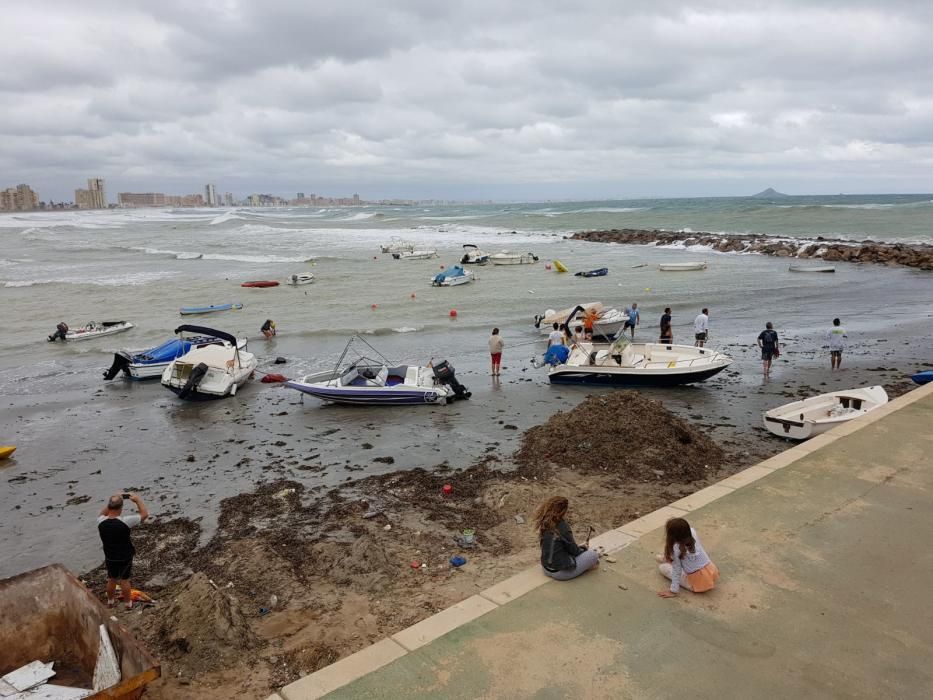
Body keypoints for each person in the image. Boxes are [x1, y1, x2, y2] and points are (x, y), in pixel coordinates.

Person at [98, 493, 149, 609]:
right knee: (125, 580)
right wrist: (137, 500)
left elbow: (102, 513)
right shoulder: (126, 521)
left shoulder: (101, 521)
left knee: (111, 579)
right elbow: (145, 514)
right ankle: (128, 604)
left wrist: (114, 498)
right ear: (121, 509)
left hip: (110, 556)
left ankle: (110, 602)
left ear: (109, 507)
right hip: (125, 556)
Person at [534, 496, 599, 581]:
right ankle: (583, 569)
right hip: (560, 573)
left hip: (546, 568)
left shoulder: (545, 523)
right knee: (593, 555)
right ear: (563, 511)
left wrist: (579, 547)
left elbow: (557, 546)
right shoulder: (563, 526)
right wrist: (584, 549)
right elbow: (574, 551)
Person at [657, 517, 719, 598]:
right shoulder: (692, 531)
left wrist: (673, 590)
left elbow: (677, 570)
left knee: (663, 568)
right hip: (711, 571)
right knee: (683, 561)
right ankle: (667, 558)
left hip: (699, 582)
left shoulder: (676, 548)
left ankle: (667, 560)